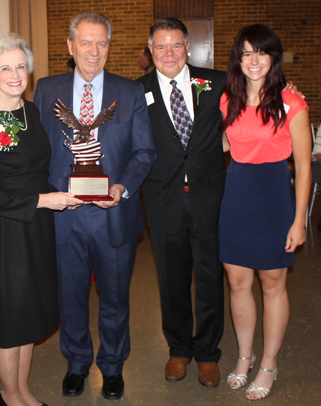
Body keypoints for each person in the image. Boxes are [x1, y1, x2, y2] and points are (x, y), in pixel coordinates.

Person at [34, 10, 156, 400]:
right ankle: (77, 363)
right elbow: (36, 153)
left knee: (116, 298)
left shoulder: (130, 92)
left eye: (101, 42)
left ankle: (114, 366)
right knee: (70, 297)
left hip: (113, 215)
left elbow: (144, 152)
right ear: (70, 46)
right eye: (85, 42)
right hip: (64, 216)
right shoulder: (45, 89)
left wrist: (121, 187)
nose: (94, 50)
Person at [0, 33, 84, 406]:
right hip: (4, 231)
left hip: (36, 225)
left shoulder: (31, 112)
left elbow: (39, 170)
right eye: (4, 68)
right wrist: (44, 199)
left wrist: (65, 193)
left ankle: (21, 390)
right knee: (9, 317)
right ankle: (9, 394)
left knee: (30, 311)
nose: (14, 74)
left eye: (20, 66)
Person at [220, 24, 311, 400]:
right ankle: (244, 357)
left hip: (274, 198)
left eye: (261, 52)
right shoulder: (230, 98)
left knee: (273, 285)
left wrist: (298, 220)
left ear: (273, 56)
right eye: (246, 53)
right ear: (238, 59)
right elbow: (225, 145)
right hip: (236, 195)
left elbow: (304, 167)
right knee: (239, 283)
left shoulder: (292, 102)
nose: (253, 60)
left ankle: (269, 363)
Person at [137, 17, 227, 387]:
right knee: (171, 282)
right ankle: (179, 349)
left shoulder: (217, 82)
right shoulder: (135, 91)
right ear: (150, 50)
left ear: (187, 47)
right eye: (161, 46)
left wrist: (290, 94)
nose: (169, 53)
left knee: (209, 279)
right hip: (163, 199)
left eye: (176, 45)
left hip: (209, 197)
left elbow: (258, 96)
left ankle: (207, 353)